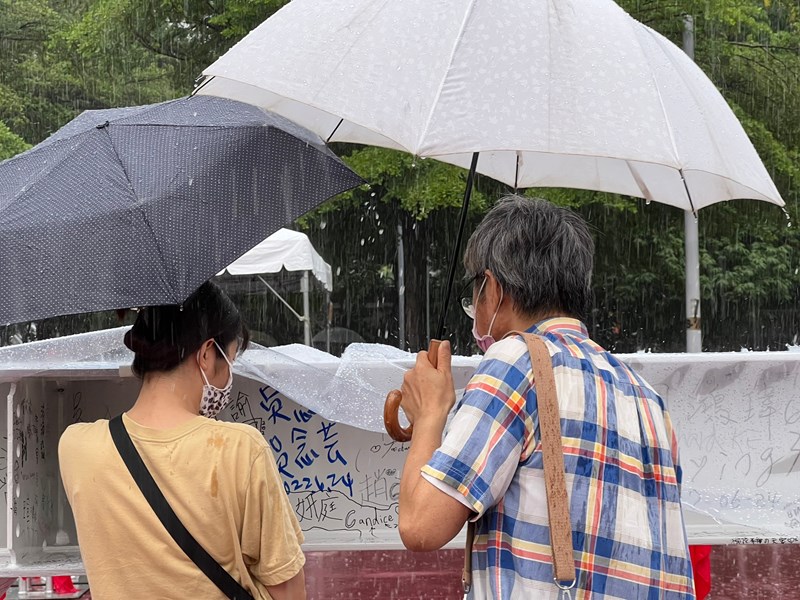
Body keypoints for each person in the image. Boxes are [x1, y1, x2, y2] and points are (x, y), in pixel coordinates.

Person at [398, 196, 695, 599]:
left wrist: (430, 413)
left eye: (475, 297)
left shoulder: (515, 361)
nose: (476, 312)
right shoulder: (646, 397)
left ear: (495, 289)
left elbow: (421, 526)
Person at [59, 281, 306, 600]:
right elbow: (289, 591)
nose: (228, 378)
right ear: (206, 355)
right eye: (229, 362)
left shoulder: (76, 447)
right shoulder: (242, 449)